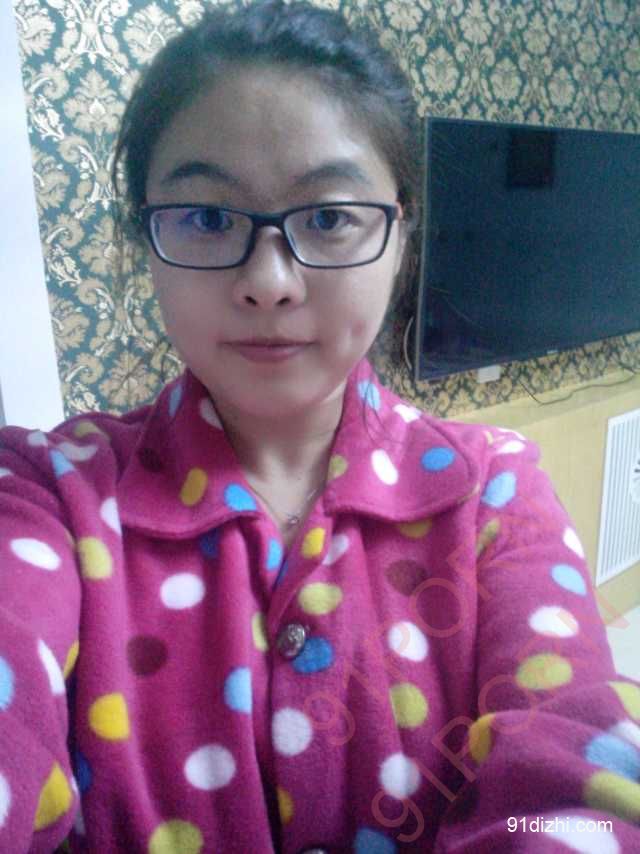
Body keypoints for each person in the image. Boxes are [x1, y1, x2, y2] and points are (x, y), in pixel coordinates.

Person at [1, 1, 639, 851]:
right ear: (146, 235)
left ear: (401, 233)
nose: (269, 282)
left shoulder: (494, 489)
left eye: (329, 217)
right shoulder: (51, 493)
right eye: (209, 218)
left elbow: (572, 792)